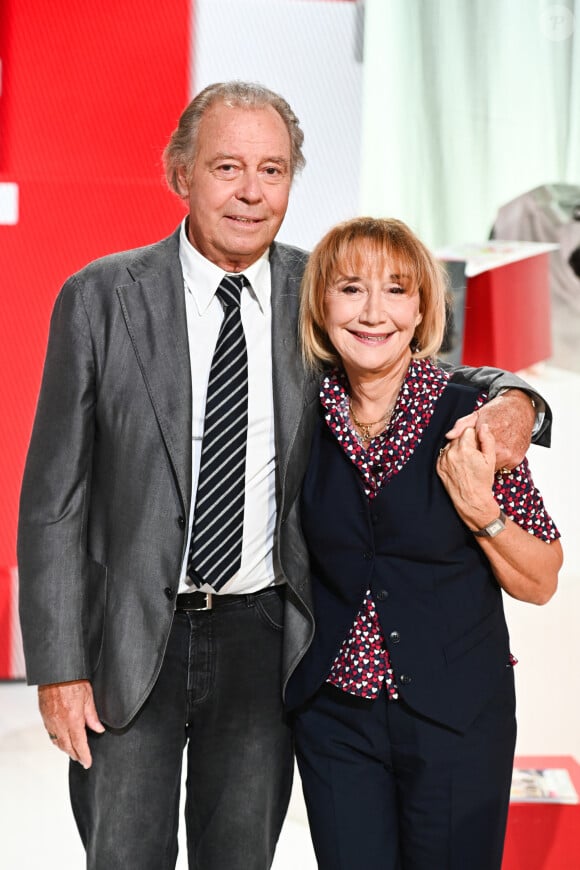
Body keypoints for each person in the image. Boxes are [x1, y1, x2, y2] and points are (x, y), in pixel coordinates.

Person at [17, 82, 551, 870]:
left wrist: (520, 404)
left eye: (272, 170)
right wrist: (59, 668)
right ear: (181, 173)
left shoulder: (320, 292)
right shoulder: (101, 298)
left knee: (241, 857)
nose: (251, 191)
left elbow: (427, 365)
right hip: (128, 638)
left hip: (266, 642)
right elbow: (52, 501)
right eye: (227, 166)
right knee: (123, 856)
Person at [287, 216, 563, 870]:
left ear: (421, 310)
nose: (373, 312)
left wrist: (484, 513)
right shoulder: (302, 417)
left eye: (396, 291)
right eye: (351, 289)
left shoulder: (474, 418)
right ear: (323, 307)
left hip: (457, 720)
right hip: (336, 721)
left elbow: (543, 578)